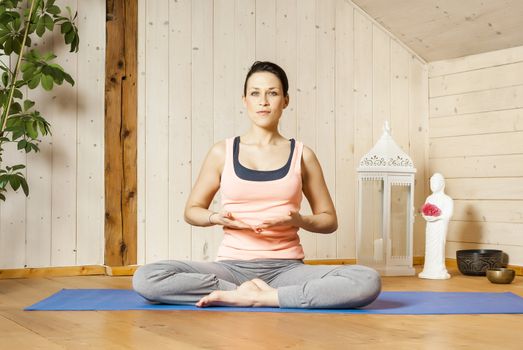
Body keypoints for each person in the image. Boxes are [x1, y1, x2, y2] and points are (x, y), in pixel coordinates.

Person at [132, 61, 381, 308]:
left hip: (287, 270)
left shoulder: (303, 155)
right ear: (245, 100)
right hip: (230, 269)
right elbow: (192, 210)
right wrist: (215, 217)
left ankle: (261, 297)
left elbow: (329, 220)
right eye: (255, 93)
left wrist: (300, 221)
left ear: (285, 101)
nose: (263, 101)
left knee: (366, 280)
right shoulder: (222, 152)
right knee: (147, 277)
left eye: (272, 93)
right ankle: (245, 291)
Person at [418, 173, 453, 280]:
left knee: (438, 247)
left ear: (442, 184)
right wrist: (427, 216)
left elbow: (448, 214)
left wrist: (437, 216)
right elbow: (424, 211)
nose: (432, 185)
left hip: (440, 227)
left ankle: (438, 269)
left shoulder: (447, 199)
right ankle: (428, 269)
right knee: (429, 248)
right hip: (430, 227)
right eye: (431, 183)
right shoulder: (429, 198)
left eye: (435, 182)